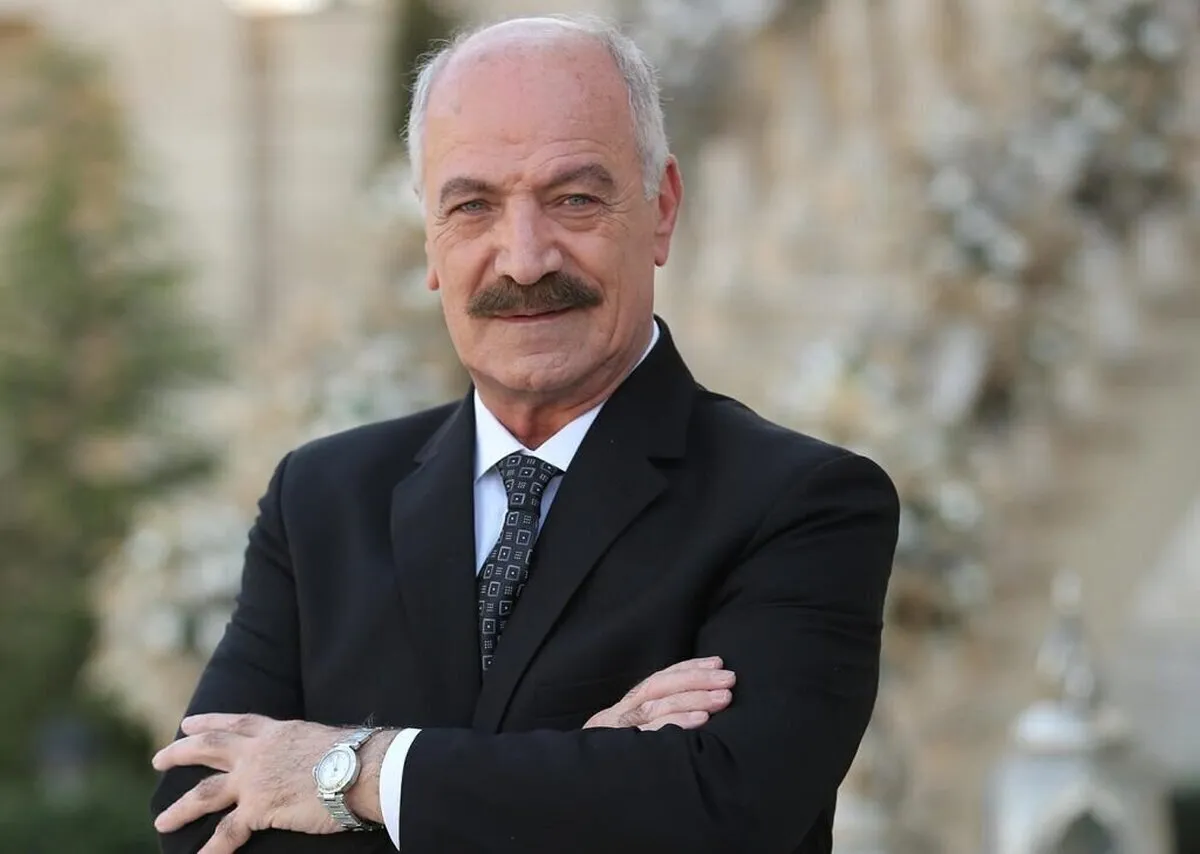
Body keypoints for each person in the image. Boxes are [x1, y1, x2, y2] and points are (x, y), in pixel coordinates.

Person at [150, 13, 899, 854]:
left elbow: (724, 814)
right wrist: (589, 777)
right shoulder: (321, 498)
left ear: (660, 209)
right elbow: (197, 818)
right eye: (473, 206)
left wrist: (351, 773)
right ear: (429, 236)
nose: (524, 259)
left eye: (574, 199)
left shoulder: (800, 505)